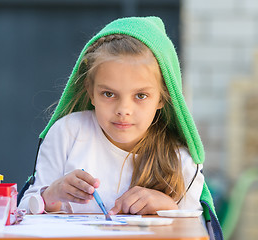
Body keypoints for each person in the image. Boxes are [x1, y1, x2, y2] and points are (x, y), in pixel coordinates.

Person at [18, 16, 223, 239]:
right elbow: (22, 212)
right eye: (109, 94)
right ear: (90, 91)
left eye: (141, 95)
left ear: (163, 98)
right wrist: (51, 195)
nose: (124, 109)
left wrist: (168, 207)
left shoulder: (180, 159)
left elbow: (199, 231)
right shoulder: (67, 133)